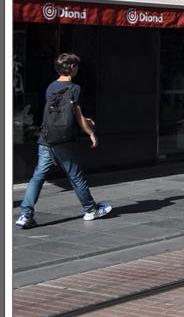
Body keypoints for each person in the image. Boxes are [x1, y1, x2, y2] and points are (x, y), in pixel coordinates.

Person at [16, 53, 112, 229]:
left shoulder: (51, 87)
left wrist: (84, 119)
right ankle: (91, 209)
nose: (77, 69)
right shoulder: (74, 88)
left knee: (38, 176)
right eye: (76, 66)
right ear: (71, 68)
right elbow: (76, 115)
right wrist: (90, 131)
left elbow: (59, 113)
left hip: (46, 138)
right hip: (64, 140)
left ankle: (25, 214)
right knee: (75, 176)